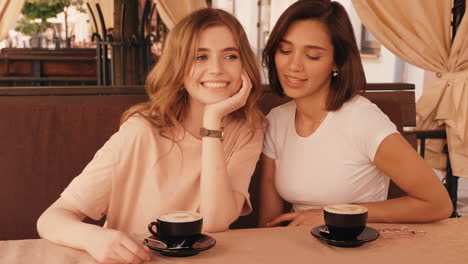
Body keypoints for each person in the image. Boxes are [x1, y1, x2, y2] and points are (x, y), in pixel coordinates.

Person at [37, 8, 264, 264]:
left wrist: (212, 120)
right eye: (200, 56)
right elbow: (52, 218)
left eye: (230, 56)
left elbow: (215, 221)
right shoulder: (141, 130)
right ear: (178, 66)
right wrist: (95, 238)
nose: (216, 69)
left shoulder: (249, 130)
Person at [258, 0, 452, 228]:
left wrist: (333, 215)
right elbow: (268, 224)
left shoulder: (363, 121)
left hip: (355, 249)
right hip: (297, 249)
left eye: (312, 55)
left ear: (336, 63)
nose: (293, 65)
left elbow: (438, 204)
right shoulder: (277, 120)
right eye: (285, 50)